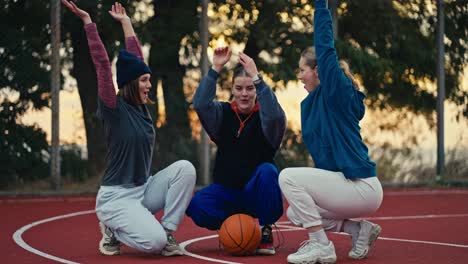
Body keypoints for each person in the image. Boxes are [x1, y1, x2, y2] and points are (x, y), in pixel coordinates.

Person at [62, 0, 196, 257]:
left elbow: (135, 59)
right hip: (116, 198)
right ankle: (112, 227)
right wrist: (89, 23)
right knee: (152, 244)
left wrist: (127, 23)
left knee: (186, 169)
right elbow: (102, 65)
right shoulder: (113, 108)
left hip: (142, 189)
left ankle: (167, 232)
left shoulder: (142, 107)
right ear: (132, 83)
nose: (149, 84)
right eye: (144, 80)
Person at [278, 0, 383, 263]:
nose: (299, 76)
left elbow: (326, 49)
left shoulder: (335, 93)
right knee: (295, 213)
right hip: (346, 185)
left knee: (288, 177)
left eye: (303, 70)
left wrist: (321, 5)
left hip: (361, 186)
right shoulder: (312, 105)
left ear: (318, 71)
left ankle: (321, 246)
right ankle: (358, 229)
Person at [186, 47, 286, 255]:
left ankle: (265, 229)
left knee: (268, 171)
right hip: (227, 192)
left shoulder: (268, 120)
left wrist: (257, 76)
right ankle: (235, 228)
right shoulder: (222, 114)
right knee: (196, 205)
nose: (244, 94)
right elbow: (200, 104)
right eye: (239, 88)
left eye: (250, 88)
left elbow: (276, 117)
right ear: (232, 89)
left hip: (255, 194)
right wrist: (215, 68)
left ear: (256, 90)